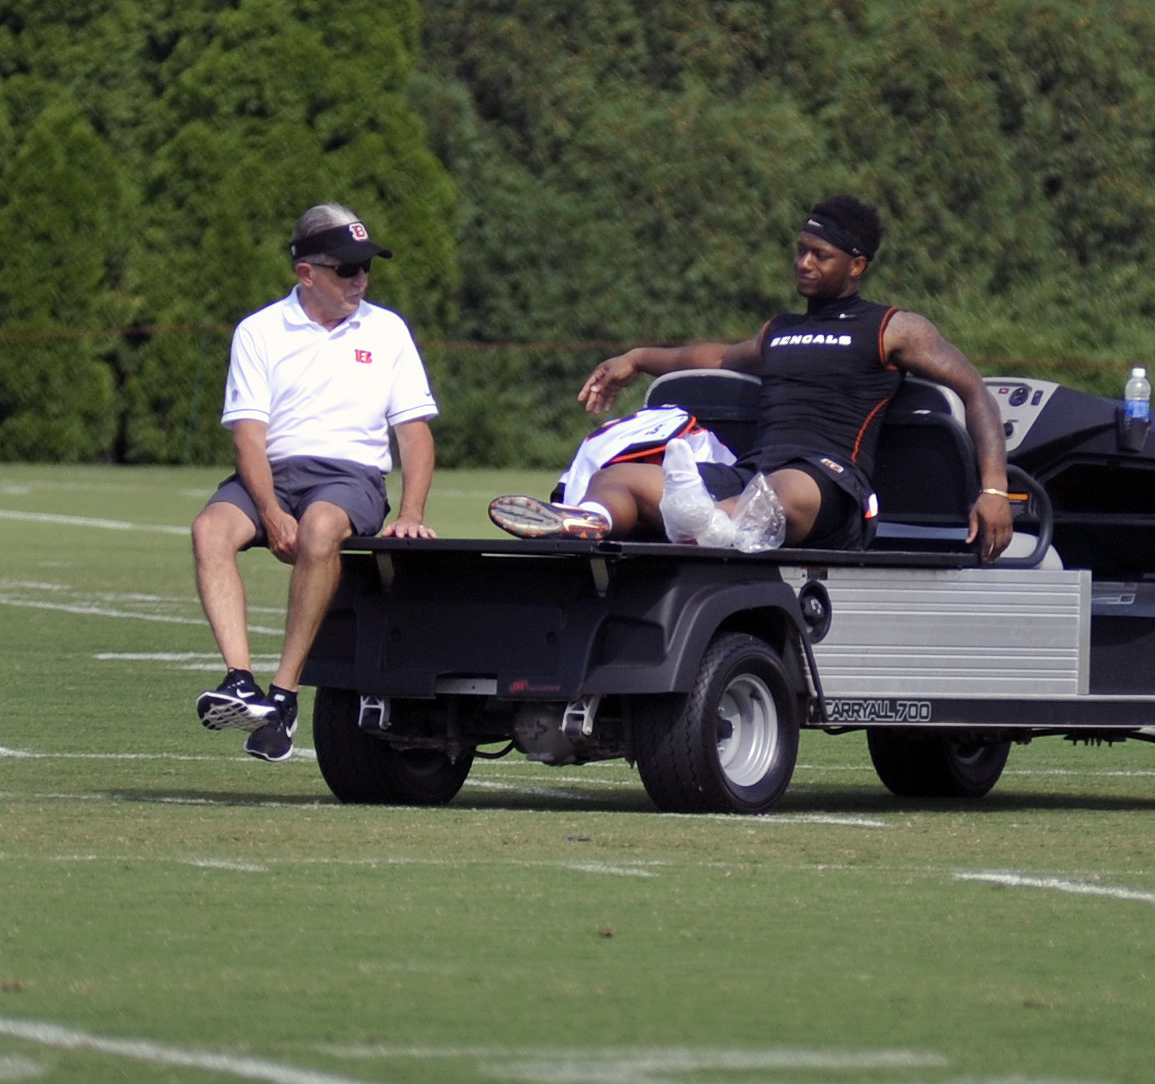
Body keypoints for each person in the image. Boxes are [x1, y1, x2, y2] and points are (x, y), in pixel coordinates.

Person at [489, 194, 1013, 562]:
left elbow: (974, 391)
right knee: (620, 476)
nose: (803, 263)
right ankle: (595, 521)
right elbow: (714, 357)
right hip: (752, 475)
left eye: (820, 255)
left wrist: (993, 489)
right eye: (801, 250)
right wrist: (638, 356)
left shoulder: (891, 327)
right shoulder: (779, 331)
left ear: (856, 266)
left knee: (778, 492)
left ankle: (706, 526)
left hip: (828, 486)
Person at [191, 204, 439, 763]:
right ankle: (239, 681)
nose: (360, 281)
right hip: (271, 475)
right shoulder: (258, 331)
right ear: (307, 273)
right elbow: (249, 438)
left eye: (366, 269)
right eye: (346, 270)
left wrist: (411, 511)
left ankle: (284, 694)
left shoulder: (388, 329)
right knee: (209, 529)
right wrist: (271, 512)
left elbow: (415, 433)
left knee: (322, 526)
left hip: (350, 477)